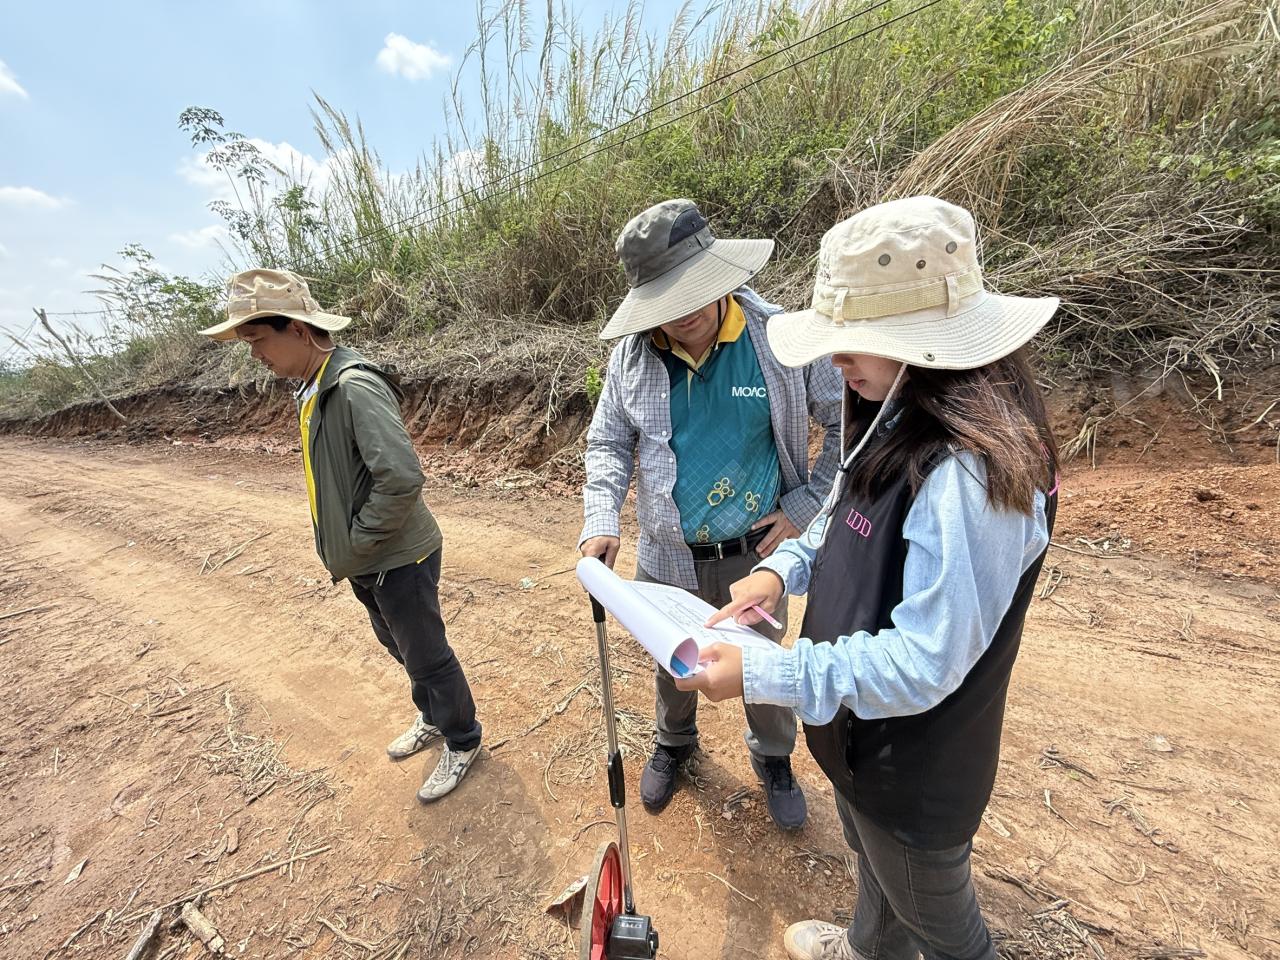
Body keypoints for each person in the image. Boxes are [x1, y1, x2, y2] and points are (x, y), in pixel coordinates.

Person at [677, 196, 1061, 959]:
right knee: (871, 868)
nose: (834, 363)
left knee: (945, 928)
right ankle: (865, 947)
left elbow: (924, 662)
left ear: (924, 343)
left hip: (913, 769)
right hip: (858, 737)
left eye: (851, 343)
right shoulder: (890, 408)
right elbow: (841, 508)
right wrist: (783, 570)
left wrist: (769, 671)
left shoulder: (968, 477)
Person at [579, 199, 843, 829]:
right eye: (668, 301)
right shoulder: (632, 360)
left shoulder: (775, 339)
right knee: (673, 663)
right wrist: (600, 518)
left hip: (758, 556)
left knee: (764, 662)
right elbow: (607, 441)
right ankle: (674, 743)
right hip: (669, 554)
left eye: (696, 290)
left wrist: (805, 506)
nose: (687, 311)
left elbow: (846, 425)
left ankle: (774, 756)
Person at [200, 268, 482, 803]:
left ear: (299, 330)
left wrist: (354, 543)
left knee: (425, 654)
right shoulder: (312, 388)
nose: (255, 354)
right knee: (396, 643)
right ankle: (432, 716)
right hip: (368, 558)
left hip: (397, 554)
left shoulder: (352, 386)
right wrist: (352, 551)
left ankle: (463, 738)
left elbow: (401, 478)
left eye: (258, 339)